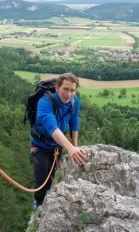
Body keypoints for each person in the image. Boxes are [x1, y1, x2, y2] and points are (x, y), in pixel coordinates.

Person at [31, 72, 88, 208]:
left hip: (58, 145)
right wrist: (70, 148)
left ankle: (51, 198)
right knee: (42, 179)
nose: (68, 94)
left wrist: (75, 146)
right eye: (65, 89)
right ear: (57, 88)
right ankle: (39, 204)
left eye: (72, 90)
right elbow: (52, 128)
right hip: (40, 146)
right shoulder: (44, 103)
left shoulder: (74, 102)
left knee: (56, 174)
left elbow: (74, 122)